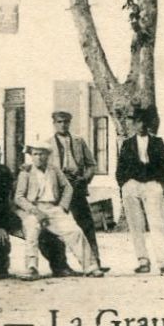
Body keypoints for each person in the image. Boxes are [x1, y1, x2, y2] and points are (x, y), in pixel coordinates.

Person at [0, 142, 72, 278]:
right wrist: (0, 226)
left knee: (45, 232)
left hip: (10, 216)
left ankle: (60, 267)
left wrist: (26, 169)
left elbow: (15, 192)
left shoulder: (5, 171)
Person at [14, 142, 105, 279]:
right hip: (34, 209)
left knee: (75, 231)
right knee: (32, 229)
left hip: (53, 209)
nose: (39, 157)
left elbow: (68, 188)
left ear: (48, 155)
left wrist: (63, 206)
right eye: (35, 154)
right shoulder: (26, 173)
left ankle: (90, 267)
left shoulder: (54, 170)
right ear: (31, 156)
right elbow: (19, 197)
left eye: (42, 154)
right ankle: (31, 268)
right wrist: (34, 210)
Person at [115, 107, 164, 275]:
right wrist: (124, 184)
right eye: (137, 122)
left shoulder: (157, 142)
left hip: (152, 184)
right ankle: (143, 260)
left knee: (158, 222)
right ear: (133, 124)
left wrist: (161, 184)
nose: (141, 125)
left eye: (144, 121)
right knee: (135, 224)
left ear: (148, 123)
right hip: (132, 184)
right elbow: (120, 168)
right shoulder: (127, 144)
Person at [50, 111, 104, 271]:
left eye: (66, 122)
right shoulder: (47, 144)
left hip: (77, 186)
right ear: (54, 123)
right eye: (59, 122)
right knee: (58, 226)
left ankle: (95, 263)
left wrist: (85, 178)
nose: (63, 125)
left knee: (86, 223)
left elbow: (91, 164)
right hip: (58, 190)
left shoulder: (79, 141)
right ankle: (60, 265)